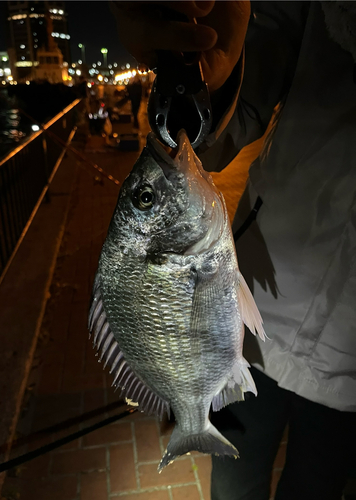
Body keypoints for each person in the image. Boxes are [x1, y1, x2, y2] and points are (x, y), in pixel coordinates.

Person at [110, 2, 356, 499]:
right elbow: (235, 106)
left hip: (350, 357)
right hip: (258, 320)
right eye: (146, 199)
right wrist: (193, 84)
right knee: (236, 480)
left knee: (317, 485)